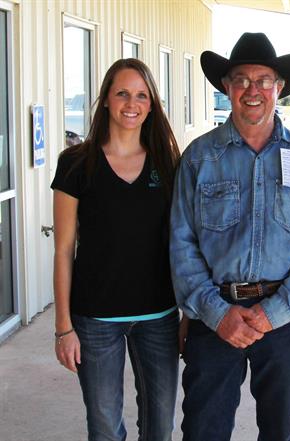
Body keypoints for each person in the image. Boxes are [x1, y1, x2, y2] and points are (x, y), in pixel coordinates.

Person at [170, 32, 290, 441]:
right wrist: (216, 313)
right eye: (241, 79)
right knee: (204, 430)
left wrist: (273, 313)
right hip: (214, 316)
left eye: (264, 80)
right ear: (227, 87)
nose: (252, 90)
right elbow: (181, 245)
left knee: (281, 430)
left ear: (280, 88)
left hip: (286, 321)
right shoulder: (199, 159)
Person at [51, 58, 181, 441]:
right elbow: (62, 250)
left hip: (158, 315)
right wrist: (63, 328)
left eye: (142, 95)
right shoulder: (76, 163)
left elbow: (180, 243)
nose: (131, 102)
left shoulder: (167, 163)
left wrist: (187, 313)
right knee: (105, 428)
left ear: (152, 105)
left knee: (160, 428)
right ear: (106, 99)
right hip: (95, 320)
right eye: (122, 92)